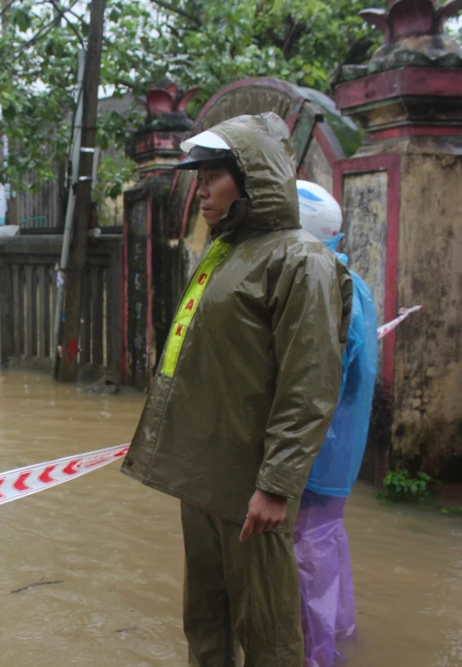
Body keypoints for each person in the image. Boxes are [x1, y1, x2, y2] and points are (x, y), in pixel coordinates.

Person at [120, 113, 352, 666]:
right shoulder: (222, 253)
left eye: (213, 176)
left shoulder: (301, 260)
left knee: (267, 629)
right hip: (200, 477)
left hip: (253, 489)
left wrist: (275, 484)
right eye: (198, 178)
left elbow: (310, 382)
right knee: (203, 616)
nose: (200, 190)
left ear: (251, 179)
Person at [294, 181, 379, 667]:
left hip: (319, 445)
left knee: (309, 549)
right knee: (327, 537)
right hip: (342, 444)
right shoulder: (353, 278)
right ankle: (340, 631)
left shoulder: (322, 283)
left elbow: (325, 371)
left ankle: (317, 653)